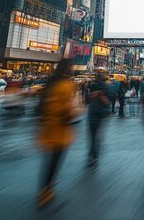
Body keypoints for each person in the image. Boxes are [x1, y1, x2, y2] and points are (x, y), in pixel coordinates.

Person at [36, 59, 78, 207]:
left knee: (48, 159)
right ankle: (48, 189)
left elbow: (40, 106)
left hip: (47, 127)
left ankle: (44, 189)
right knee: (55, 159)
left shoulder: (49, 83)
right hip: (61, 129)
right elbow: (71, 109)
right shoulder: (67, 86)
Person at [86, 72, 112, 167]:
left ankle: (92, 155)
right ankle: (94, 155)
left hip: (95, 113)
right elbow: (107, 102)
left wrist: (98, 95)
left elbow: (106, 101)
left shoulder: (100, 87)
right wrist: (98, 94)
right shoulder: (100, 87)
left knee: (93, 136)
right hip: (96, 114)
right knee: (95, 136)